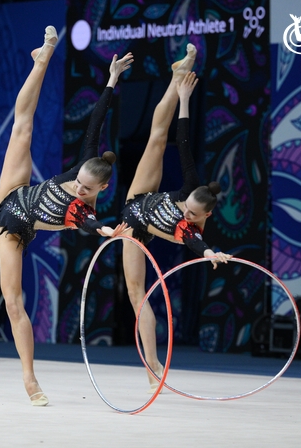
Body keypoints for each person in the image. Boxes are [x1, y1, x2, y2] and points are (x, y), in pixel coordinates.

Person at [0, 26, 132, 406]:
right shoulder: (84, 165)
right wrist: (111, 79)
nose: (79, 189)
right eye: (79, 183)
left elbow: (86, 223)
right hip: (14, 197)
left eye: (87, 190)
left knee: (13, 301)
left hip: (15, 231)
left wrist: (105, 229)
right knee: (22, 127)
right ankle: (45, 57)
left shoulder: (85, 207)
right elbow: (97, 121)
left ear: (101, 190)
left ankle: (29, 377)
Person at [119, 51, 233, 391]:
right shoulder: (188, 188)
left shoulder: (191, 227)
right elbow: (183, 141)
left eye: (194, 215)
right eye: (186, 209)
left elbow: (196, 242)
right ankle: (176, 75)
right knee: (158, 135)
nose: (187, 214)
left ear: (206, 215)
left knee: (140, 292)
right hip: (136, 210)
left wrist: (210, 252)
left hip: (148, 227)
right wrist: (184, 97)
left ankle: (153, 362)